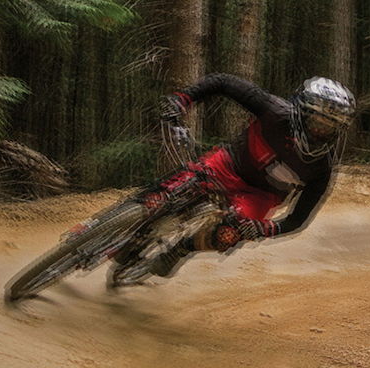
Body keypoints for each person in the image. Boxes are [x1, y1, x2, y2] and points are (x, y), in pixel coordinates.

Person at [114, 73, 356, 279]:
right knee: (168, 192)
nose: (320, 131)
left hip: (259, 197)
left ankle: (181, 250)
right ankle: (136, 225)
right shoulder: (273, 110)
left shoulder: (322, 168)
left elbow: (298, 219)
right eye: (316, 121)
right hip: (227, 164)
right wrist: (183, 100)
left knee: (228, 233)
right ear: (301, 112)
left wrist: (263, 229)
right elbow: (223, 82)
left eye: (330, 127)